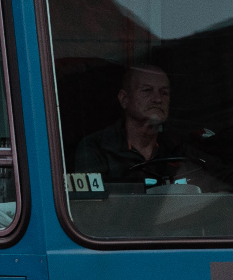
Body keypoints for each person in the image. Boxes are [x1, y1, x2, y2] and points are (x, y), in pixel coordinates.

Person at [71, 64, 222, 194]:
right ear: (124, 99)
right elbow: (90, 208)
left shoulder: (176, 145)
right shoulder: (95, 148)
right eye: (147, 90)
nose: (158, 99)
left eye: (164, 92)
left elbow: (227, 178)